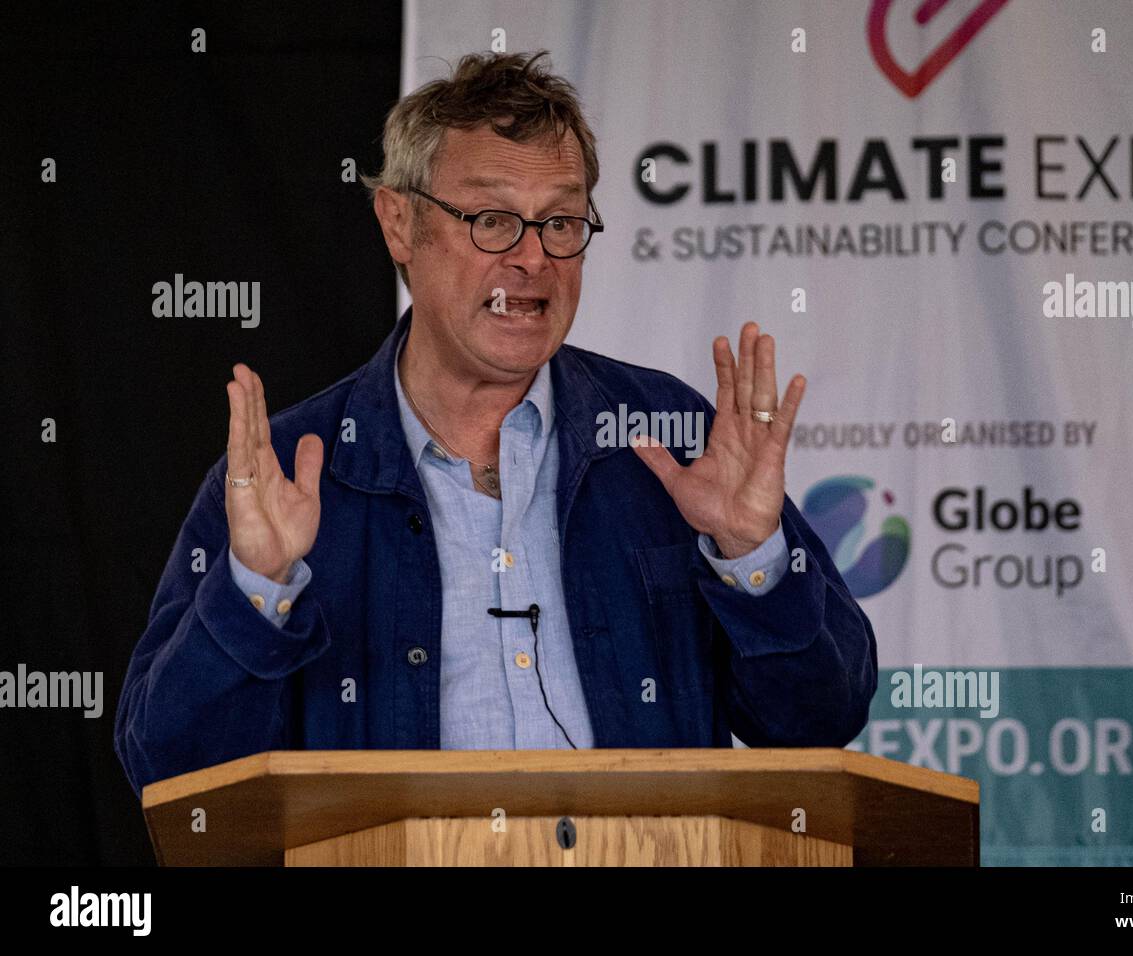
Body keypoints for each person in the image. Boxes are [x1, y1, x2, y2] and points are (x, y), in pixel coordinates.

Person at [114, 51, 878, 798]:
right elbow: (173, 774)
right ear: (399, 225)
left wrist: (754, 556)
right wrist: (255, 590)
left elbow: (820, 718)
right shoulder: (288, 468)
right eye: (492, 220)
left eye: (561, 222)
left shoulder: (669, 437)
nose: (533, 260)